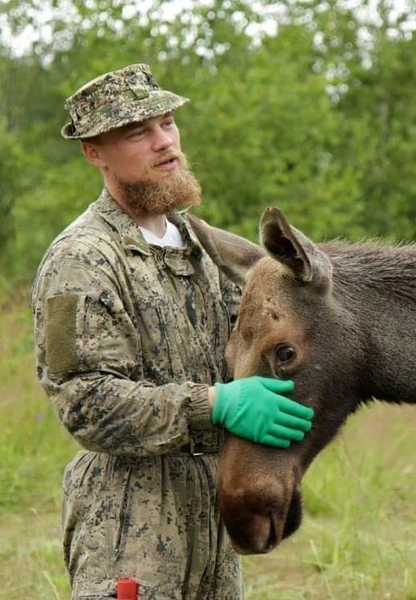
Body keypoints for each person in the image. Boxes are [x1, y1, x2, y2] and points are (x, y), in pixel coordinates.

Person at [31, 63, 314, 600]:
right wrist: (216, 405)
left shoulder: (203, 246)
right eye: (138, 132)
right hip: (128, 533)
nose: (165, 143)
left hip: (212, 523)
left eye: (167, 123)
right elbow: (87, 405)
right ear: (95, 152)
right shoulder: (82, 260)